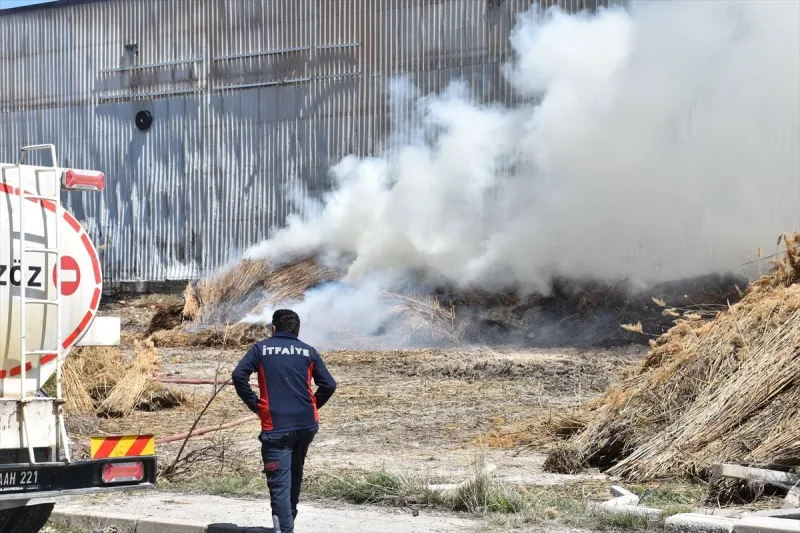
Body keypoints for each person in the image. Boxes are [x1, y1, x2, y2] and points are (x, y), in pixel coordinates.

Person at [232, 309, 337, 533]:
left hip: (276, 427)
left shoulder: (261, 349)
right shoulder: (308, 351)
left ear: (273, 328)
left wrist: (256, 406)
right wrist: (312, 406)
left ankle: (285, 530)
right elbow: (329, 385)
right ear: (297, 330)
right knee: (294, 474)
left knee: (279, 484)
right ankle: (288, 524)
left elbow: (238, 376)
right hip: (306, 425)